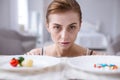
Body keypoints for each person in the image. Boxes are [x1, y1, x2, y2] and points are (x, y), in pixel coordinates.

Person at [27, 0, 104, 57]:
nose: (64, 36)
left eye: (72, 27)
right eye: (57, 27)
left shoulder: (93, 58)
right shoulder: (36, 56)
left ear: (80, 26)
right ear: (48, 26)